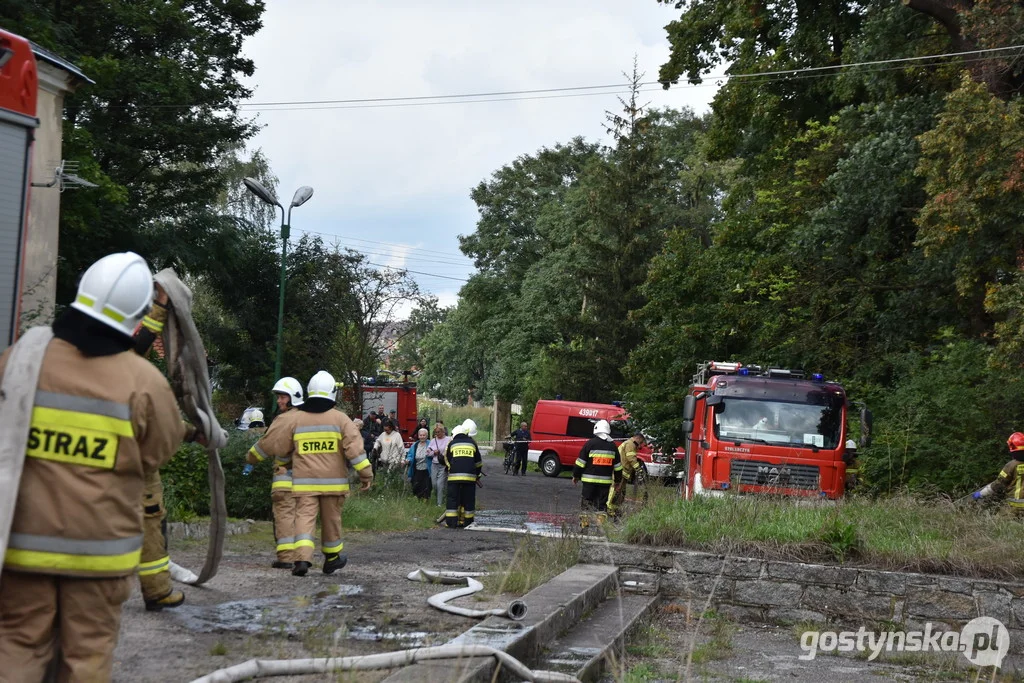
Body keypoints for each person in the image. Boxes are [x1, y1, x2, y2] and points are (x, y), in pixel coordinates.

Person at [0, 252, 185, 680]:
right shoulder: (143, 383)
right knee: (86, 657)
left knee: (16, 645)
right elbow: (159, 452)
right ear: (137, 316)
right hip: (98, 558)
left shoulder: (19, 363)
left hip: (22, 548)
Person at [251, 371, 373, 576]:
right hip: (334, 485)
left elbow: (282, 447)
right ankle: (332, 558)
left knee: (304, 520)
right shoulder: (341, 420)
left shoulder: (297, 419)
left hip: (305, 484)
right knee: (331, 520)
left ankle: (301, 560)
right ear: (332, 392)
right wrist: (366, 475)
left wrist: (285, 464)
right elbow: (355, 451)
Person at [245, 376, 304, 569]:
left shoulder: (284, 420)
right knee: (302, 519)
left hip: (285, 480)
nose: (279, 401)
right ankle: (303, 556)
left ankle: (286, 558)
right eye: (278, 397)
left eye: (282, 397)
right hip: (308, 479)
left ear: (293, 397)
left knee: (285, 516)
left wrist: (250, 458)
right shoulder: (309, 418)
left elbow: (265, 446)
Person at [572, 419, 623, 528]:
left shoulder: (590, 444)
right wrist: (618, 481)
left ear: (596, 430)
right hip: (605, 483)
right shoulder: (613, 447)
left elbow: (580, 463)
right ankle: (600, 528)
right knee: (601, 505)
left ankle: (584, 526)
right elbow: (618, 467)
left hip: (589, 482)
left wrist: (576, 476)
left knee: (586, 504)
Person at [972, 432, 1024, 514]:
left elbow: (998, 484)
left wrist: (981, 493)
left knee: (1001, 523)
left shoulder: (1011, 466)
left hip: (1015, 507)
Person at [443, 420, 483, 528]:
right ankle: (467, 522)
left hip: (454, 477)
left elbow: (446, 458)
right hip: (470, 478)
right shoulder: (472, 443)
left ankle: (451, 523)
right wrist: (477, 475)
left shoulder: (451, 443)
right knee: (469, 500)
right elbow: (478, 462)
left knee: (452, 499)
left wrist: (451, 468)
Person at [608, 432, 645, 517]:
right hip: (621, 471)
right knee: (615, 489)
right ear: (638, 438)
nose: (641, 445)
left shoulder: (630, 443)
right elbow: (631, 458)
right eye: (641, 442)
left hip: (622, 471)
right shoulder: (630, 444)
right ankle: (609, 507)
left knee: (620, 491)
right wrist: (638, 469)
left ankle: (614, 508)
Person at [427, 423, 451, 507]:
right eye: (436, 432)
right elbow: (428, 453)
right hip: (434, 464)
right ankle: (438, 498)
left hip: (443, 465)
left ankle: (439, 503)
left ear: (443, 431)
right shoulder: (433, 441)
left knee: (439, 484)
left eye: (439, 432)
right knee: (434, 484)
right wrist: (434, 452)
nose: (437, 434)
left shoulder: (448, 439)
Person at [406, 428, 433, 500]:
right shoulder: (415, 445)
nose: (422, 437)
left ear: (427, 436)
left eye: (424, 435)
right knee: (416, 484)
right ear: (418, 436)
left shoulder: (430, 444)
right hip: (417, 467)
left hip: (427, 468)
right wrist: (408, 460)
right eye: (420, 435)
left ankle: (426, 499)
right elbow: (410, 455)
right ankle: (417, 498)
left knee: (426, 485)